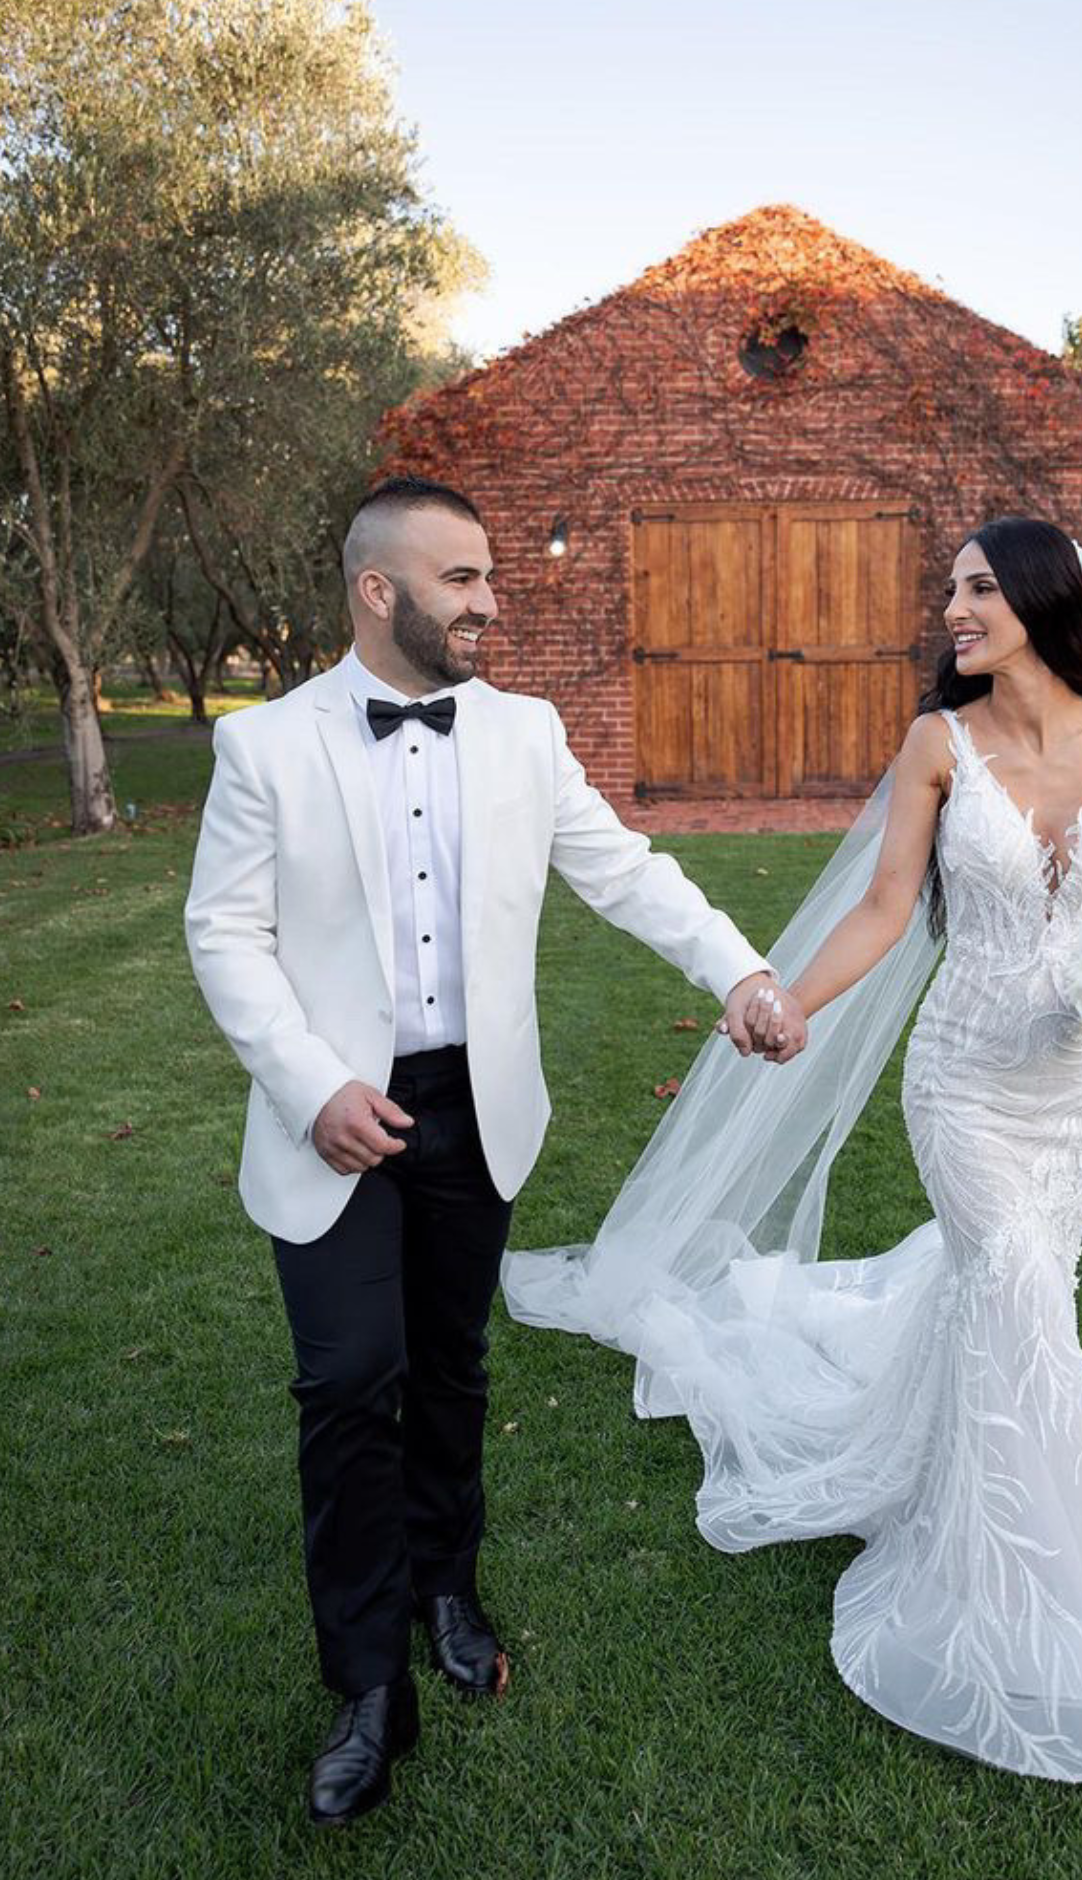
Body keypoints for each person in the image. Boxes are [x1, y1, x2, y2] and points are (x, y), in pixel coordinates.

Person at [504, 517, 1082, 1782]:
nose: (950, 606)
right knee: (1011, 1284)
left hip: (1077, 1092)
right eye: (948, 587)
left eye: (978, 586)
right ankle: (1043, 1599)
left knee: (1021, 1300)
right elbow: (889, 905)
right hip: (965, 1083)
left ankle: (949, 1464)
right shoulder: (938, 745)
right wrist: (790, 1000)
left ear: (1044, 599)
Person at [184, 475, 794, 1826]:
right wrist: (310, 1084)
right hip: (332, 1117)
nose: (492, 602)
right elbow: (223, 934)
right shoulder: (265, 748)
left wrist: (742, 973)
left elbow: (626, 870)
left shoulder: (523, 733)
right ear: (377, 591)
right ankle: (362, 1682)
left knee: (451, 1366)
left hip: (478, 1108)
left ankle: (446, 1589)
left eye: (490, 575)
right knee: (350, 1380)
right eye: (462, 578)